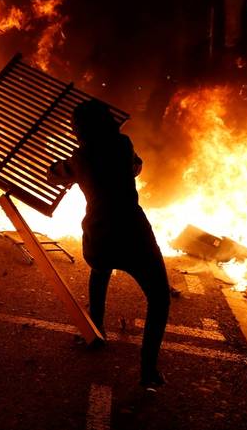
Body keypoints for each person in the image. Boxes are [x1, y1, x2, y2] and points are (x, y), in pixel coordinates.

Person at [47, 99, 170, 389]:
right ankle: (148, 368)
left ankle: (96, 329)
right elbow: (136, 166)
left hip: (100, 234)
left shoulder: (81, 158)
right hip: (133, 233)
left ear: (81, 130)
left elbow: (54, 175)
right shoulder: (122, 144)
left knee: (100, 270)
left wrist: (63, 171)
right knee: (159, 298)